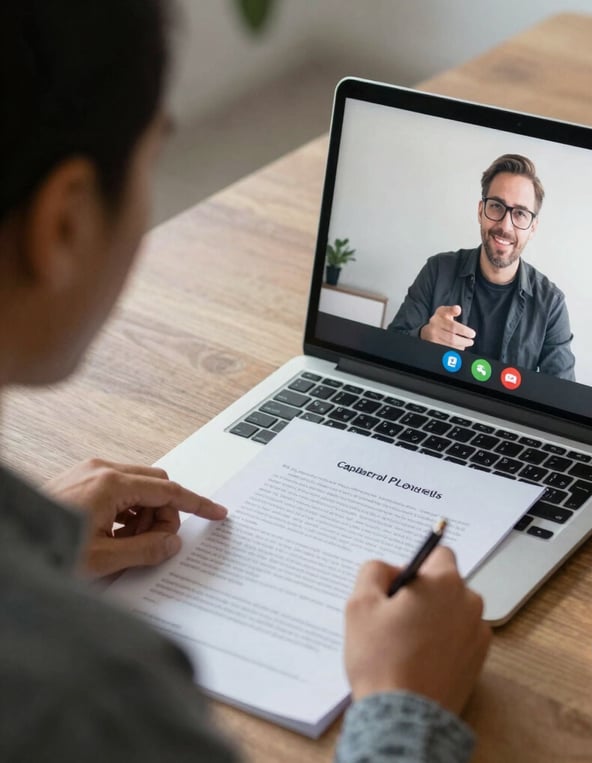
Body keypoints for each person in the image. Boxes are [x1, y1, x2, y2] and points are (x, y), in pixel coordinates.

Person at [0, 2, 491, 762]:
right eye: (150, 159)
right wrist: (404, 708)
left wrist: (31, 546)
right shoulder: (95, 698)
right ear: (63, 222)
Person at [388, 154, 576, 380]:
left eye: (520, 213)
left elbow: (561, 393)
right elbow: (390, 346)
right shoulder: (438, 270)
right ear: (480, 211)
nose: (505, 226)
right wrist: (423, 336)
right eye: (496, 206)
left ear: (533, 227)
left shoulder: (551, 304)